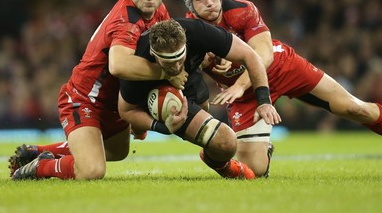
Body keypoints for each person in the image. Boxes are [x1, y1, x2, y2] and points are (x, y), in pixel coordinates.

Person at [179, 0, 382, 178]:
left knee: (354, 108)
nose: (210, 2)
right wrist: (200, 62)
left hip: (282, 67)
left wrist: (239, 83)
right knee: (255, 170)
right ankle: (261, 151)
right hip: (246, 95)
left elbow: (264, 54)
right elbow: (187, 70)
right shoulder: (189, 30)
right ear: (190, 6)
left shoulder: (242, 9)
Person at [9, 0, 188, 180]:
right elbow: (119, 65)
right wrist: (168, 73)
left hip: (113, 104)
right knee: (92, 170)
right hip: (84, 100)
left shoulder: (159, 10)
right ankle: (40, 167)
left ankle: (37, 152)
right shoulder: (126, 21)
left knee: (117, 152)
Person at [118, 18, 281, 180]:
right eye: (169, 62)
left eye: (179, 59)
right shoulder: (138, 61)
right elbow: (126, 109)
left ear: (186, 43)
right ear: (153, 53)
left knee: (204, 106)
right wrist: (164, 128)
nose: (175, 67)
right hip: (154, 94)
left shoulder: (198, 31)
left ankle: (212, 155)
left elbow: (251, 56)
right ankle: (223, 166)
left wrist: (264, 100)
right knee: (226, 143)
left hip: (191, 82)